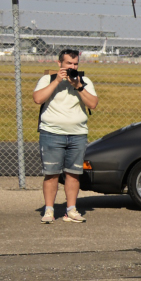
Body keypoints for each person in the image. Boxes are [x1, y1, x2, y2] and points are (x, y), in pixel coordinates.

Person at [32, 48, 99, 223]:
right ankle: (49, 210)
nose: (72, 67)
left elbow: (93, 104)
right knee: (51, 173)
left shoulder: (83, 81)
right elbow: (38, 99)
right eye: (68, 63)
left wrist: (78, 86)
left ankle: (71, 209)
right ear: (59, 63)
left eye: (75, 64)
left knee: (73, 173)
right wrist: (57, 81)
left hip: (77, 134)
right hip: (51, 133)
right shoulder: (48, 79)